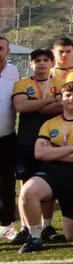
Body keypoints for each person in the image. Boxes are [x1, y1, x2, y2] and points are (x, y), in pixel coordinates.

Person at [15, 81, 73, 253]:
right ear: (61, 100)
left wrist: (55, 151)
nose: (71, 98)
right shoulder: (49, 123)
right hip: (50, 173)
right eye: (67, 95)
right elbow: (40, 153)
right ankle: (35, 237)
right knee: (28, 191)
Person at [11, 48, 58, 196]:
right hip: (27, 139)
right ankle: (26, 220)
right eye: (37, 61)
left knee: (50, 181)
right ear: (31, 64)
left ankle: (47, 220)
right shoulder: (22, 83)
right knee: (25, 181)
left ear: (52, 63)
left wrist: (33, 104)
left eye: (45, 60)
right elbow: (20, 106)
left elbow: (61, 108)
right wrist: (49, 100)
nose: (41, 63)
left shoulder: (61, 83)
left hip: (52, 140)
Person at [0, 37, 18, 239]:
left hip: (6, 136)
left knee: (6, 183)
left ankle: (6, 225)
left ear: (8, 51)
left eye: (0, 48)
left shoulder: (13, 71)